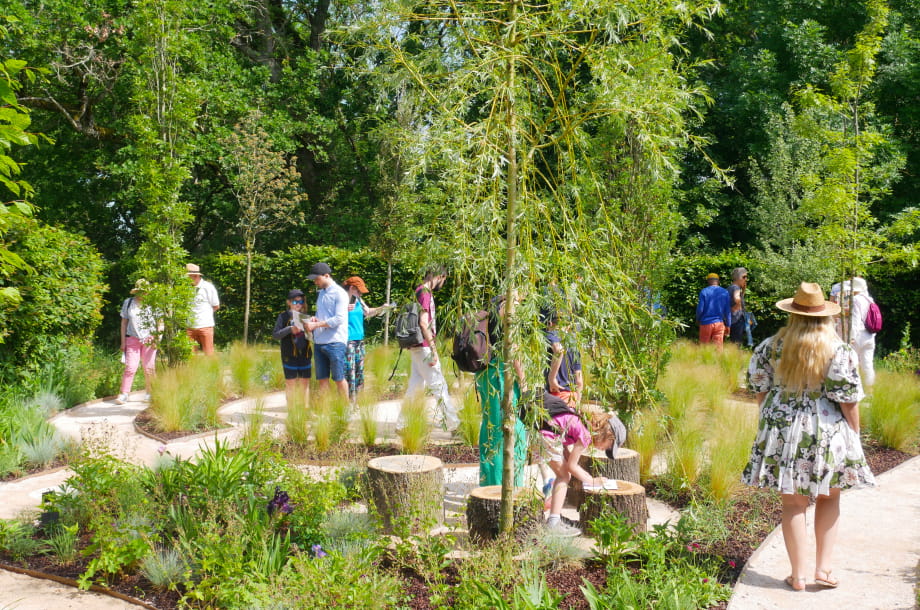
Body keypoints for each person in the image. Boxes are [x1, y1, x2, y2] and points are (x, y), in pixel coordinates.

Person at [742, 282, 875, 591]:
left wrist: (771, 421)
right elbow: (848, 398)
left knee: (793, 505)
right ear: (824, 316)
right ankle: (824, 570)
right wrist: (854, 434)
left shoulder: (769, 346)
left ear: (792, 314)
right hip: (826, 429)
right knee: (830, 496)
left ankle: (798, 575)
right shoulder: (837, 350)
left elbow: (759, 388)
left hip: (782, 427)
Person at [541, 397, 627, 536]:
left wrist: (586, 475)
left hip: (546, 431)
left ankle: (554, 518)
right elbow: (572, 467)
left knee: (564, 474)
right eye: (608, 447)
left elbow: (564, 446)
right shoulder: (586, 435)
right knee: (564, 476)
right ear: (608, 436)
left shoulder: (582, 422)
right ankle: (553, 523)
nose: (604, 450)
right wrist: (592, 481)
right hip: (548, 435)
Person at [475, 295, 528, 487]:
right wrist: (524, 383)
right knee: (509, 430)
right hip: (502, 376)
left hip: (486, 375)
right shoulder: (508, 308)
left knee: (491, 429)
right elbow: (512, 347)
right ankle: (506, 487)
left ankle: (490, 484)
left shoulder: (493, 307)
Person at [405, 266, 459, 431]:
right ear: (440, 276)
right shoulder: (425, 293)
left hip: (416, 346)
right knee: (439, 384)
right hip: (424, 347)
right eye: (444, 279)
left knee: (414, 387)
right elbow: (423, 322)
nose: (443, 283)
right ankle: (454, 424)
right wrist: (434, 349)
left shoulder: (419, 290)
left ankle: (403, 423)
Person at [342, 276, 392, 398]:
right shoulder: (341, 300)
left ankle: (358, 398)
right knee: (350, 371)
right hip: (348, 339)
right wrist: (344, 309)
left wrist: (382, 308)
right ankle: (349, 400)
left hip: (359, 339)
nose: (360, 294)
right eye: (358, 291)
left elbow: (368, 312)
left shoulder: (358, 300)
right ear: (352, 288)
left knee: (359, 371)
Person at [304, 262, 349, 398]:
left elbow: (338, 319)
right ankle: (325, 411)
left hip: (335, 342)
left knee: (338, 378)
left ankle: (345, 410)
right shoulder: (321, 294)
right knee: (322, 379)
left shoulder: (340, 293)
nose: (315, 282)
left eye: (317, 279)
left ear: (326, 275)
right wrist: (314, 319)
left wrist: (316, 326)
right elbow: (323, 315)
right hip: (319, 342)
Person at [117, 279, 159, 404]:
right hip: (132, 338)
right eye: (140, 291)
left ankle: (150, 393)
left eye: (145, 291)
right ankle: (124, 393)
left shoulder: (154, 304)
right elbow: (124, 323)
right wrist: (123, 342)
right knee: (130, 367)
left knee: (149, 367)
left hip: (150, 339)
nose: (142, 294)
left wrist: (157, 339)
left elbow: (160, 323)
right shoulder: (129, 303)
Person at [272, 289, 312, 406]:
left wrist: (311, 327)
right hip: (289, 355)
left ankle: (305, 409)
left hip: (305, 354)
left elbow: (311, 337)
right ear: (289, 302)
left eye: (301, 302)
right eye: (295, 302)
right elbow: (275, 334)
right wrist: (290, 329)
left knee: (305, 382)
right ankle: (292, 410)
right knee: (291, 383)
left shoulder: (305, 316)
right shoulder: (283, 317)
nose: (299, 304)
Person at [543, 308, 584, 405]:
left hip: (556, 395)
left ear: (549, 323)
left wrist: (552, 378)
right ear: (568, 326)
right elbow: (579, 381)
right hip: (571, 398)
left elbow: (558, 350)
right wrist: (577, 404)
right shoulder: (574, 345)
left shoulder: (551, 334)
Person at [186, 263, 220, 355]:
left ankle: (211, 369)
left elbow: (216, 306)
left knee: (209, 353)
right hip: (190, 326)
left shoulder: (208, 287)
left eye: (188, 277)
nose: (186, 279)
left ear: (195, 276)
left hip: (205, 326)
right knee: (190, 355)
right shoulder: (185, 288)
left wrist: (204, 315)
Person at [848, 277, 876, 388]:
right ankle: (870, 392)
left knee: (853, 365)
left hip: (858, 336)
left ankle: (855, 390)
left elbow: (855, 320)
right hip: (870, 335)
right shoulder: (870, 299)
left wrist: (851, 337)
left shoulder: (855, 300)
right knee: (868, 365)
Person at [696, 272, 731, 349]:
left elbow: (700, 309)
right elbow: (727, 311)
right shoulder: (725, 292)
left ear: (708, 281)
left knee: (704, 347)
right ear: (718, 281)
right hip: (719, 323)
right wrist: (728, 325)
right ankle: (718, 361)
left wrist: (698, 319)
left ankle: (704, 360)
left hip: (705, 323)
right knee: (718, 348)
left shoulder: (704, 291)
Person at [728, 267, 749, 345]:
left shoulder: (730, 287)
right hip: (737, 319)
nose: (746, 279)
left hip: (732, 319)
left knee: (733, 341)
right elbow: (736, 298)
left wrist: (743, 291)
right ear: (738, 278)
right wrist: (738, 306)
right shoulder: (736, 288)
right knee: (737, 343)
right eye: (744, 277)